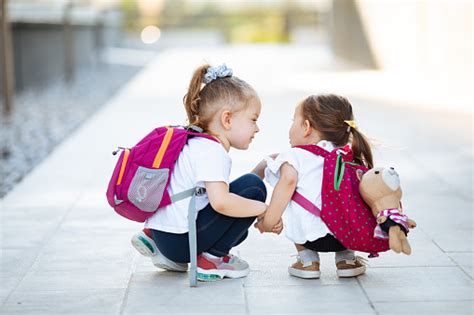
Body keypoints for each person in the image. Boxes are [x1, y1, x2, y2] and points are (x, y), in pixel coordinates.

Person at [131, 63, 274, 282]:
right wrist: (265, 209)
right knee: (254, 188)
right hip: (181, 243)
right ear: (227, 119)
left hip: (163, 236)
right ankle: (211, 260)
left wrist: (262, 167)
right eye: (253, 119)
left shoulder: (194, 141)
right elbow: (222, 203)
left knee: (246, 200)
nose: (257, 128)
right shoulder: (212, 152)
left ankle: (156, 241)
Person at [252, 94, 372, 279]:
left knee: (298, 202)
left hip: (310, 237)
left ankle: (308, 261)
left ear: (306, 127)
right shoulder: (348, 155)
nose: (291, 126)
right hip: (347, 235)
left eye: (294, 120)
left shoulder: (295, 156)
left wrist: (268, 221)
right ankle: (346, 259)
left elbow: (288, 181)